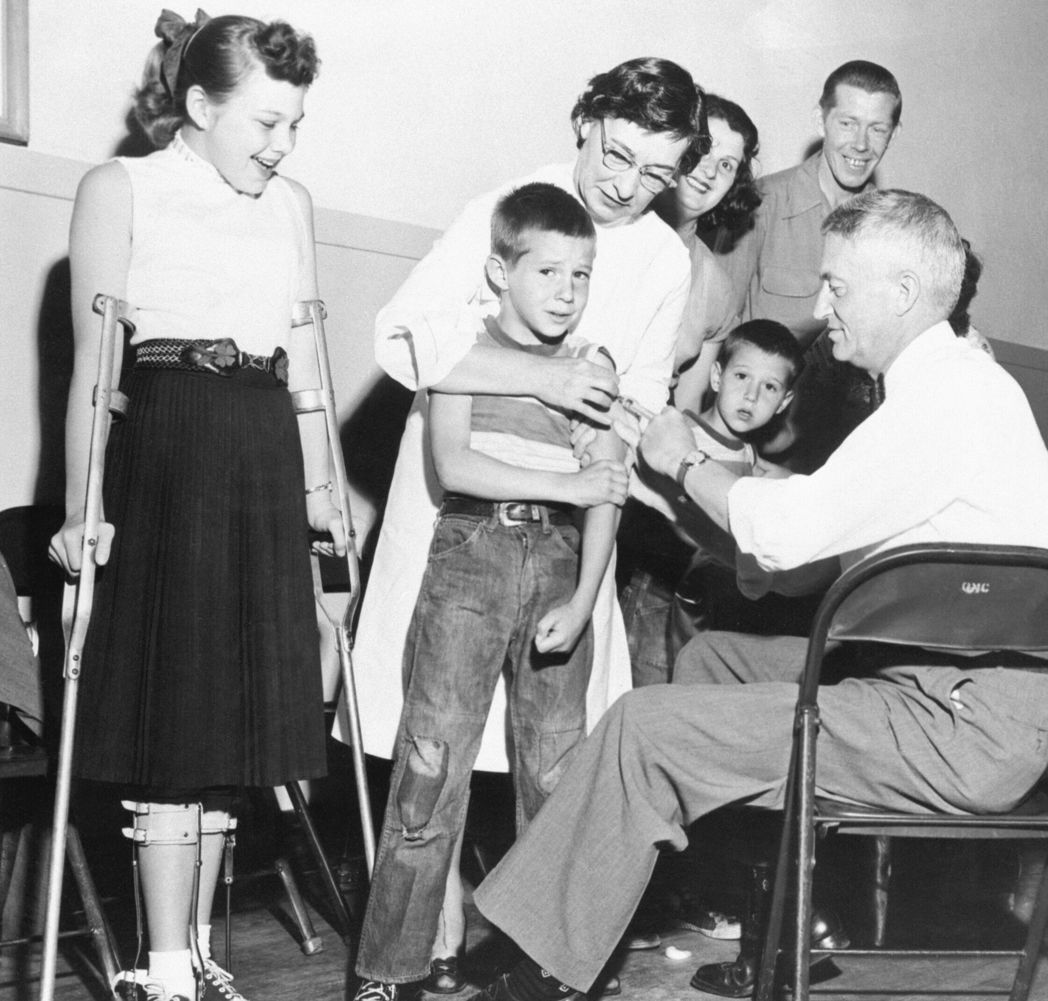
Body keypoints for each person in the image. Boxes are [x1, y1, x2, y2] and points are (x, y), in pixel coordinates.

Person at [460, 189, 1048, 1001]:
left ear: (900, 294)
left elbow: (787, 535)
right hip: (949, 695)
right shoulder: (946, 389)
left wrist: (685, 459)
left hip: (963, 725)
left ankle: (542, 969)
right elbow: (802, 562)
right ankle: (774, 923)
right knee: (714, 656)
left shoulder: (946, 400)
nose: (824, 309)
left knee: (644, 724)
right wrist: (669, 489)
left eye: (838, 286)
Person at [348, 58, 707, 1000]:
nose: (628, 187)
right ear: (585, 121)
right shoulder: (507, 208)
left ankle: (538, 949)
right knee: (437, 737)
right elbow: (400, 336)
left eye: (657, 175)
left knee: (554, 750)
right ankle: (425, 933)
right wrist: (539, 379)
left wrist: (678, 473)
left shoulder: (666, 259)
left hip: (568, 519)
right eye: (617, 155)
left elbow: (635, 400)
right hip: (458, 506)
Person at [48, 12, 338, 1001]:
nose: (281, 145)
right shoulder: (121, 187)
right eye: (263, 123)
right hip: (170, 442)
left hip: (260, 441)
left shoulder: (290, 202)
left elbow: (307, 369)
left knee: (237, 725)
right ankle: (162, 964)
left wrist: (321, 481)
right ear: (200, 104)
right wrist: (82, 503)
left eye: (294, 123)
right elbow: (97, 367)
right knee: (179, 714)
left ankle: (203, 951)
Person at [353, 183, 627, 1001]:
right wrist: (574, 483)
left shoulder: (595, 366)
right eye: (547, 271)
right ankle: (388, 972)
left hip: (560, 566)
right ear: (499, 271)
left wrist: (582, 601)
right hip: (469, 555)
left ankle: (546, 966)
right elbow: (455, 464)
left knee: (554, 771)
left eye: (580, 275)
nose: (565, 292)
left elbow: (607, 489)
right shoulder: (461, 349)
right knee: (431, 767)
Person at [711, 60, 902, 471]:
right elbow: (716, 332)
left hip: (838, 450)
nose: (861, 144)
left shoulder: (891, 231)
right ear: (821, 120)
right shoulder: (761, 204)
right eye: (848, 123)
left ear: (893, 134)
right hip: (745, 443)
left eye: (878, 128)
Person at [619, 319, 797, 689]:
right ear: (717, 377)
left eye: (769, 387)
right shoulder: (682, 437)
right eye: (741, 377)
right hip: (659, 596)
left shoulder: (750, 456)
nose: (751, 396)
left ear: (785, 402)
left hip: (712, 603)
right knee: (652, 695)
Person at [650, 93, 762, 412]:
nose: (709, 170)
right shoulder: (608, 231)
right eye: (702, 149)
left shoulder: (717, 288)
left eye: (726, 165)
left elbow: (687, 411)